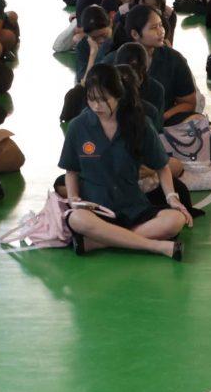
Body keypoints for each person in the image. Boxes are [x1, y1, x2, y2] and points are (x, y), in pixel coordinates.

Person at [57, 65, 193, 258]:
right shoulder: (78, 126)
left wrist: (172, 197)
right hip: (95, 209)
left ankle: (97, 242)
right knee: (77, 218)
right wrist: (73, 198)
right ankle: (156, 246)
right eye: (91, 99)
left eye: (103, 100)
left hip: (132, 207)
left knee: (176, 220)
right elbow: (71, 171)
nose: (96, 106)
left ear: (118, 95)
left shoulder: (140, 124)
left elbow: (162, 167)